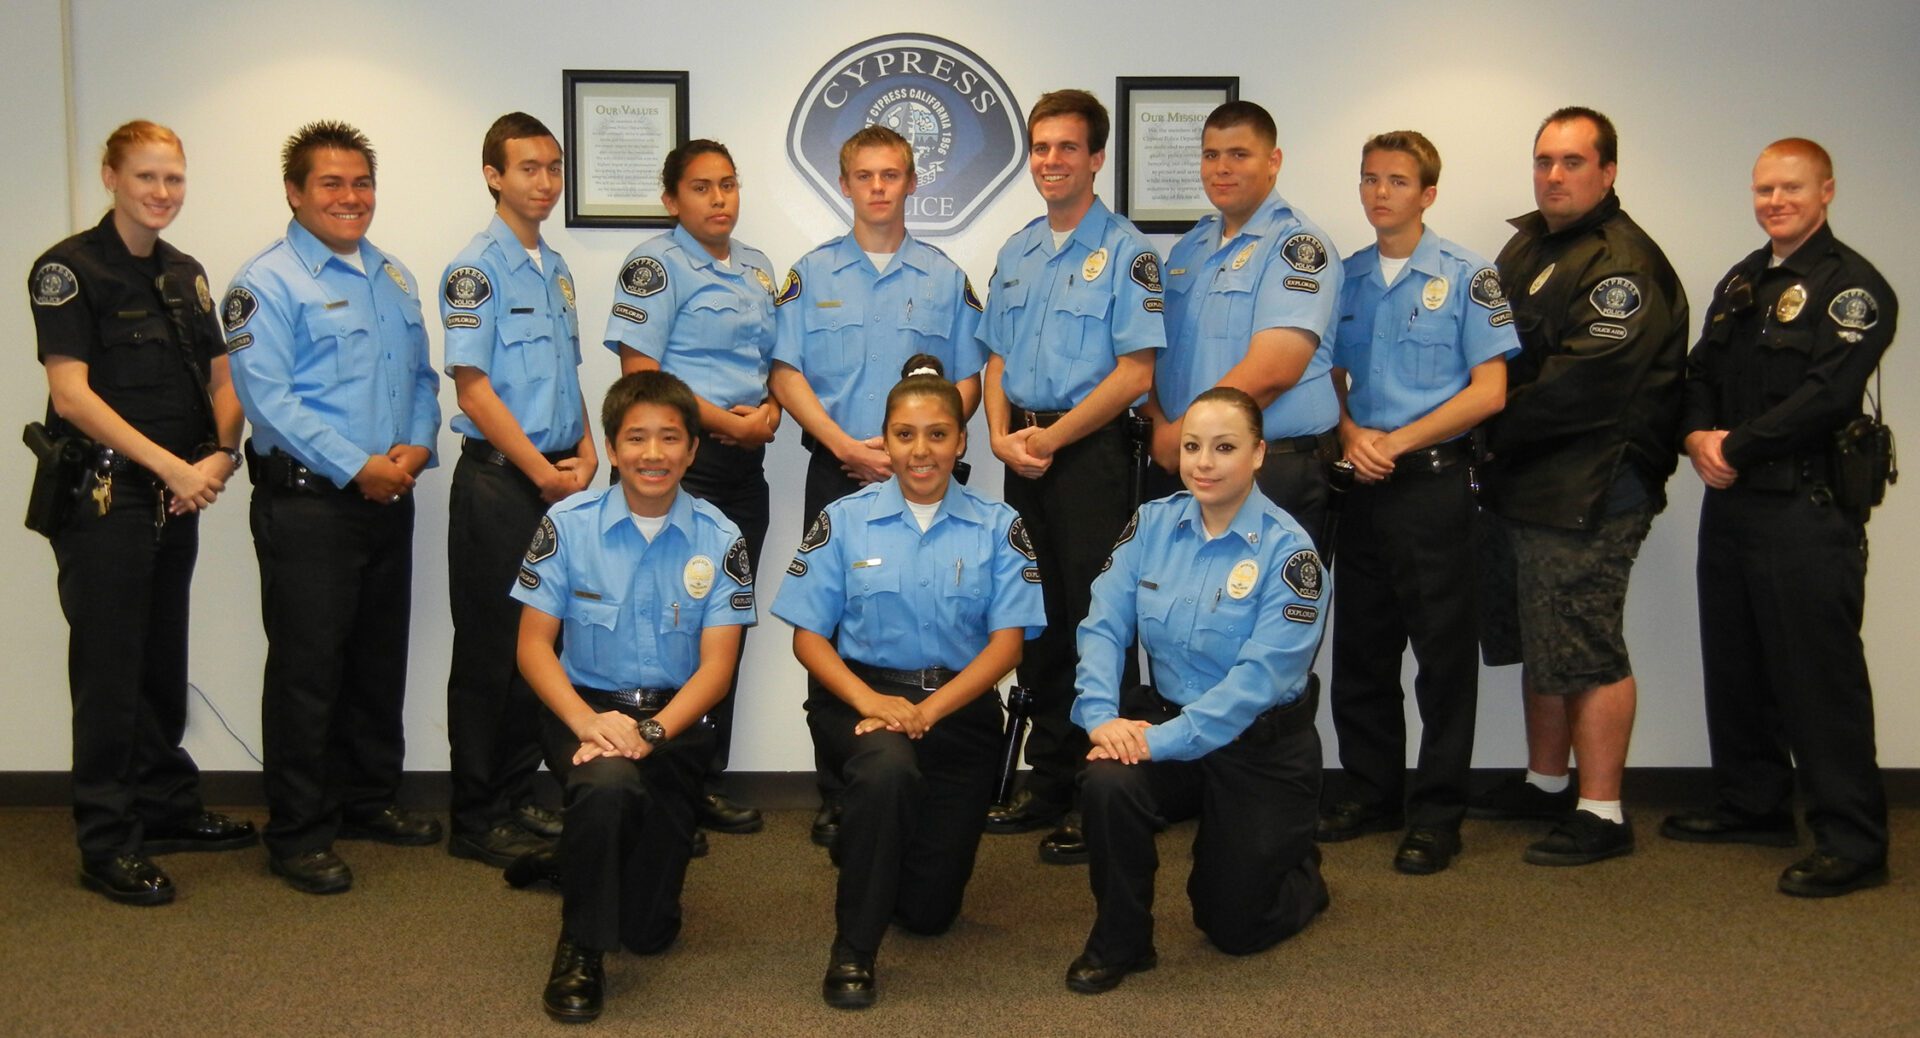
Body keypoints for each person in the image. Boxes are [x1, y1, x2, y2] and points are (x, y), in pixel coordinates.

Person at [28, 120, 255, 905]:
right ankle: (107, 840)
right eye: (147, 178)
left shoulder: (186, 272)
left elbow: (224, 381)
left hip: (180, 491)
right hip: (105, 494)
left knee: (162, 660)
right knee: (109, 670)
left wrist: (219, 457)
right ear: (110, 176)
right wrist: (169, 467)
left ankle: (164, 805)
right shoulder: (68, 270)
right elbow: (71, 394)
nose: (162, 193)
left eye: (174, 180)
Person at [771, 355, 1044, 1009]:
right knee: (887, 770)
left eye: (937, 434)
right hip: (865, 705)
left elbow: (1007, 645)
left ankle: (875, 841)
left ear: (961, 440)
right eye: (904, 434)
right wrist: (874, 704)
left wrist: (929, 712)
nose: (921, 451)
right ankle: (853, 951)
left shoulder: (999, 528)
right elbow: (807, 637)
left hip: (959, 715)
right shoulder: (844, 520)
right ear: (885, 439)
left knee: (927, 914)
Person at [1665, 138, 1896, 897]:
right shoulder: (1742, 280)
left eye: (1791, 187)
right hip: (1733, 502)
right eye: (1764, 188)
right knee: (1737, 666)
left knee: (1816, 681)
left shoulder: (1852, 288)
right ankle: (1753, 803)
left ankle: (1852, 840)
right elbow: (1698, 371)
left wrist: (1735, 443)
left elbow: (1827, 396)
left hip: (1806, 507)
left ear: (1826, 190)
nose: (1775, 201)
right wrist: (1698, 436)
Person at [225, 120, 443, 894]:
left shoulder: (393, 276)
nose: (351, 198)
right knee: (309, 673)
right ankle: (297, 830)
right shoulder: (268, 283)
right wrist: (359, 468)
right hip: (311, 506)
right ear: (295, 192)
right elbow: (269, 401)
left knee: (377, 660)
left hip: (392, 493)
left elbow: (423, 379)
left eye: (361, 183)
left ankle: (367, 799)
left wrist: (415, 450)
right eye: (332, 183)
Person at [1470, 107, 1687, 866]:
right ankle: (1544, 781)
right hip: (1527, 480)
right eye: (1543, 161)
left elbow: (1578, 388)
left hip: (1591, 486)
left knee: (1587, 644)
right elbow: (1491, 345)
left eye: (1571, 162)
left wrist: (1479, 423)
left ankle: (1602, 811)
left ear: (1608, 171)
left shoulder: (1620, 262)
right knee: (1543, 635)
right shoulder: (1529, 242)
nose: (1554, 176)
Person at [1068, 387, 1329, 994]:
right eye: (1192, 446)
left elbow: (1256, 682)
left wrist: (1158, 743)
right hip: (1168, 721)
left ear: (1259, 454)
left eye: (1224, 447)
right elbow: (1104, 623)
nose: (1203, 463)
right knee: (1107, 779)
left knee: (1234, 926)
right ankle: (1122, 940)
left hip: (1259, 747)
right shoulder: (1152, 524)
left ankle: (1300, 872)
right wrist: (1102, 716)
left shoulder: (1291, 555)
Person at [513, 370, 756, 1022]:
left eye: (670, 438)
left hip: (676, 722)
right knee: (609, 786)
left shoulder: (721, 536)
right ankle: (579, 948)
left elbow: (717, 669)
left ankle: (578, 854)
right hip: (585, 708)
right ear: (614, 449)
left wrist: (651, 732)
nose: (654, 453)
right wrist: (590, 723)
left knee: (650, 931)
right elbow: (534, 647)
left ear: (693, 449)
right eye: (637, 438)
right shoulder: (568, 525)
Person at [769, 125, 986, 849]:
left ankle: (930, 776)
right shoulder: (811, 274)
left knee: (928, 617)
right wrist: (840, 444)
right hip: (838, 473)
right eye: (865, 175)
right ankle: (842, 791)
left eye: (892, 175)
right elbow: (785, 372)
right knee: (827, 632)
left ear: (912, 182)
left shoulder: (945, 277)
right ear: (845, 183)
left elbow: (968, 379)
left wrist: (917, 448)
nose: (879, 188)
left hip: (925, 480)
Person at [1316, 131, 1519, 874]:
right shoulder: (1345, 278)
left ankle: (1436, 812)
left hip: (1432, 483)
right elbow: (1329, 377)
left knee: (1440, 657)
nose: (1380, 193)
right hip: (1361, 483)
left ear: (1428, 193)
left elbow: (1489, 392)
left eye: (1398, 181)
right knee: (1362, 651)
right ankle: (1371, 792)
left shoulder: (1468, 275)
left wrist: (1392, 443)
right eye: (1370, 179)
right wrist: (1352, 436)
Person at [978, 89, 1164, 864]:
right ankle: (1050, 780)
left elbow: (1135, 372)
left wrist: (1049, 436)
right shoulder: (1018, 250)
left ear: (1096, 158)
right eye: (1041, 148)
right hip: (1023, 454)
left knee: (1100, 624)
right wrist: (997, 435)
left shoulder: (1128, 252)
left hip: (1090, 458)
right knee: (1040, 623)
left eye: (1066, 148)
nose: (1051, 161)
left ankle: (1101, 792)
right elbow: (993, 357)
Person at [603, 139, 778, 839]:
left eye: (729, 185)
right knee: (666, 621)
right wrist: (723, 422)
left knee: (721, 627)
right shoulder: (654, 267)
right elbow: (640, 377)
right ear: (672, 200)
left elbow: (776, 365)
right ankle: (654, 776)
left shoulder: (762, 269)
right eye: (702, 188)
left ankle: (703, 780)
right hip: (680, 469)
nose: (719, 199)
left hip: (744, 473)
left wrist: (767, 415)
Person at [440, 112, 596, 868]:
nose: (545, 181)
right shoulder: (477, 270)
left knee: (542, 650)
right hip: (506, 486)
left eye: (554, 167)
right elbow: (474, 391)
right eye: (528, 168)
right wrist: (544, 473)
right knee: (490, 655)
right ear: (493, 176)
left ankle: (515, 796)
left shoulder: (555, 267)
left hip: (560, 478)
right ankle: (475, 816)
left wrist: (590, 450)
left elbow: (566, 377)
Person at [1146, 101, 1344, 547]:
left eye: (1239, 154)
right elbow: (1156, 349)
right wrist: (1159, 424)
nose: (1222, 168)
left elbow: (1274, 370)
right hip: (1189, 462)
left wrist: (1178, 438)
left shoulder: (1297, 246)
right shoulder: (1190, 248)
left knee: (1265, 607)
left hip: (1271, 468)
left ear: (1273, 161)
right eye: (1211, 155)